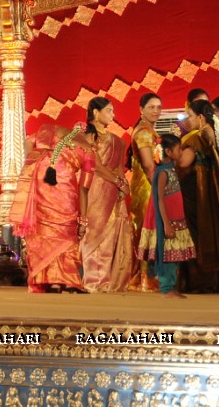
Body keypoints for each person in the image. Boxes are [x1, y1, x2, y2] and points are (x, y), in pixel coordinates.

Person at [11, 124, 93, 293]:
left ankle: (48, 280)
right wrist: (83, 221)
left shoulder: (53, 130)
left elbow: (28, 140)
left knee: (44, 229)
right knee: (65, 231)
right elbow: (84, 188)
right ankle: (67, 281)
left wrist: (32, 160)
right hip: (63, 184)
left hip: (41, 175)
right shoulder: (90, 151)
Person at [80, 98, 136, 292]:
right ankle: (94, 281)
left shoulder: (116, 141)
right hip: (95, 188)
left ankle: (109, 281)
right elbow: (95, 165)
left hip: (113, 189)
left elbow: (119, 167)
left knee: (111, 235)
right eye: (109, 111)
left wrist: (123, 186)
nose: (113, 115)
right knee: (94, 233)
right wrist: (117, 181)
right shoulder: (87, 137)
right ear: (96, 113)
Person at [178, 98, 219, 293]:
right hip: (211, 195)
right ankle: (214, 279)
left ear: (200, 117)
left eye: (190, 116)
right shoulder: (213, 135)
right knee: (210, 231)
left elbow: (183, 163)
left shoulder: (195, 138)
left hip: (194, 193)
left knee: (194, 234)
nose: (187, 120)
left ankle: (199, 280)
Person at [138, 133, 195, 298]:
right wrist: (166, 224)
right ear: (169, 152)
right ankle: (166, 288)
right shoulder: (162, 172)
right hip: (167, 220)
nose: (181, 152)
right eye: (179, 149)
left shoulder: (171, 170)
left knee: (174, 255)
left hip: (176, 219)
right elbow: (159, 199)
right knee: (167, 256)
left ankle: (171, 287)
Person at [126, 93, 164, 292]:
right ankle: (144, 279)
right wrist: (160, 190)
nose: (156, 111)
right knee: (146, 230)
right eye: (151, 107)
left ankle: (147, 277)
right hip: (147, 188)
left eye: (159, 107)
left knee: (148, 230)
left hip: (147, 186)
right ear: (141, 109)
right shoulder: (143, 133)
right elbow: (150, 166)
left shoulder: (148, 130)